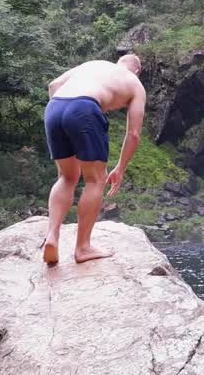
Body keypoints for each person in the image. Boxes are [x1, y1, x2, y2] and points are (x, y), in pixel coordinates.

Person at [41, 53, 146, 264]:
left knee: (66, 177)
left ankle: (52, 236)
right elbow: (133, 133)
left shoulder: (92, 64)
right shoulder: (134, 83)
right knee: (95, 179)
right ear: (137, 71)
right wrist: (120, 169)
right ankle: (83, 248)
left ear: (118, 63)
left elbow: (53, 85)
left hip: (55, 108)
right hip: (84, 108)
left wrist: (64, 116)